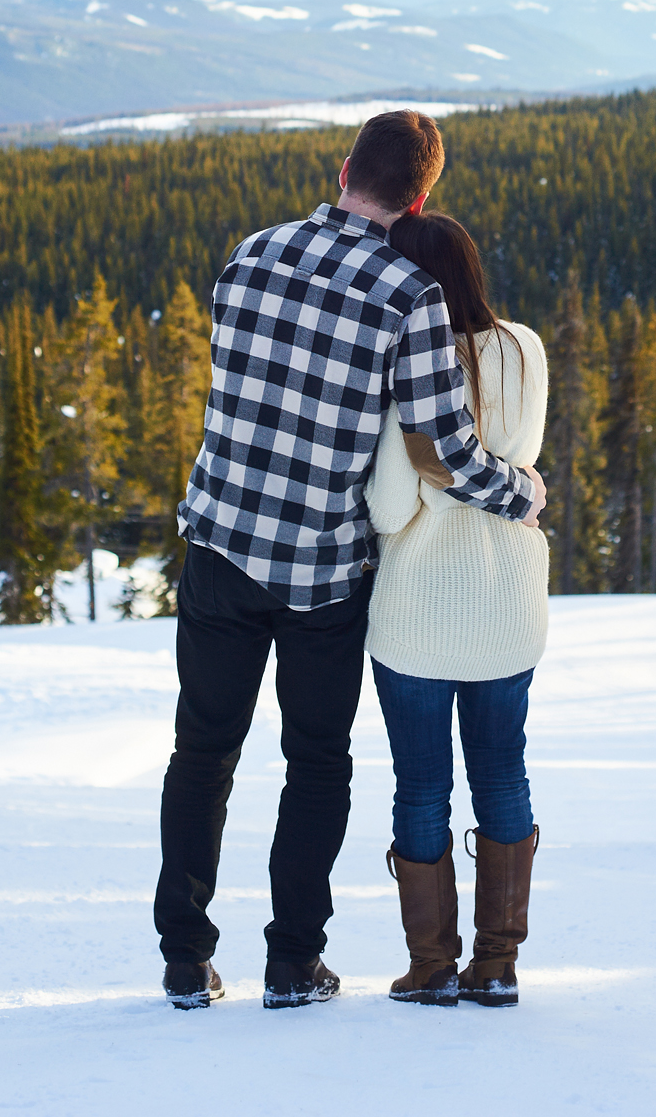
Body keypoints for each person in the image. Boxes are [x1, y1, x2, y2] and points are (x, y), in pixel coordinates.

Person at [153, 109, 546, 1011]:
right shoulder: (409, 292)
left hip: (218, 538)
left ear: (342, 170)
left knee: (201, 753)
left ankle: (184, 955)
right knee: (316, 762)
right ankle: (292, 962)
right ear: (419, 198)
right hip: (320, 569)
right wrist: (520, 494)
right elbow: (438, 449)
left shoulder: (250, 252)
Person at [366, 209, 549, 1009]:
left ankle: (430, 963)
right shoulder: (523, 346)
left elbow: (383, 504)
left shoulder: (403, 360)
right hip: (507, 603)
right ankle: (499, 961)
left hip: (417, 609)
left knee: (419, 788)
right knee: (502, 776)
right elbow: (524, 459)